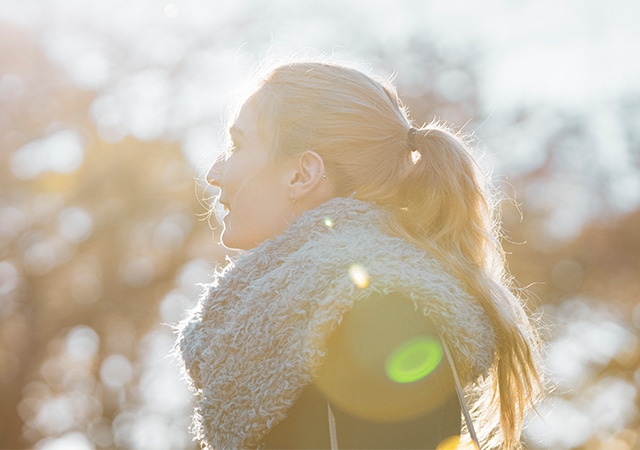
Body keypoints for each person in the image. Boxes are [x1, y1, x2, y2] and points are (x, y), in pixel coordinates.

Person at [176, 60, 542, 450]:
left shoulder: (384, 310)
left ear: (302, 174)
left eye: (236, 145)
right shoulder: (310, 310)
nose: (214, 171)